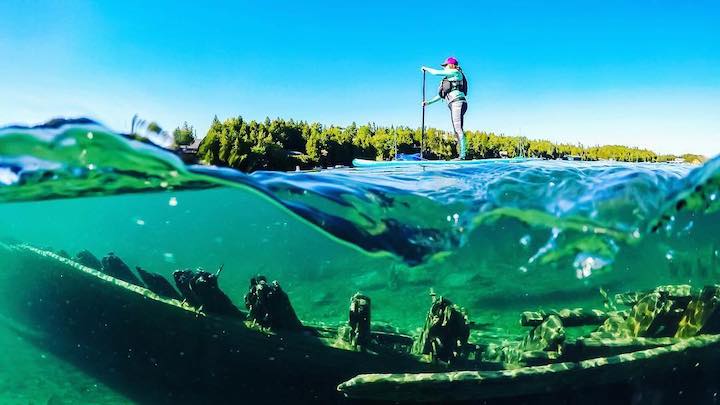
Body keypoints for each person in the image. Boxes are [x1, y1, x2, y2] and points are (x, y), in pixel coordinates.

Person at [421, 57, 468, 159]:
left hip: (457, 103)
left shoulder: (455, 72)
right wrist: (428, 103)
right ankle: (463, 154)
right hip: (455, 103)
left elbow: (435, 73)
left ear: (451, 65)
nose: (444, 68)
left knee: (458, 129)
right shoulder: (448, 79)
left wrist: (425, 68)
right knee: (457, 129)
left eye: (445, 66)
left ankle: (463, 155)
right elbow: (441, 96)